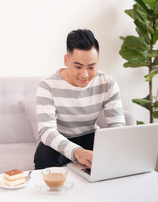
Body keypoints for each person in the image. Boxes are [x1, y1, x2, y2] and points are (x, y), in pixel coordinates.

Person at [34, 29, 126, 170]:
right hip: (60, 138)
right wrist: (77, 152)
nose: (85, 75)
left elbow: (118, 126)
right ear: (66, 60)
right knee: (44, 157)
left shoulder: (107, 83)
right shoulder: (47, 85)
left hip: (91, 136)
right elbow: (46, 131)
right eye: (78, 66)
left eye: (91, 67)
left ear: (97, 62)